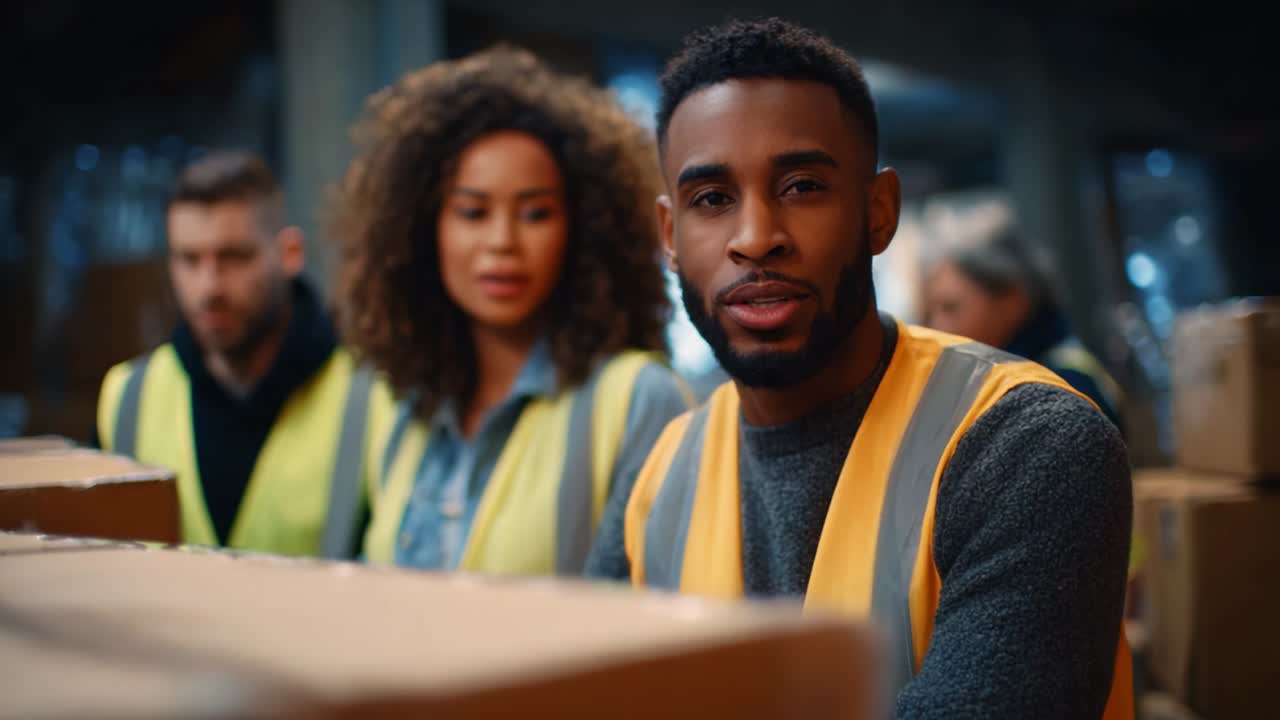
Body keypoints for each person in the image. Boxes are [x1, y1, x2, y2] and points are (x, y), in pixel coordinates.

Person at [586, 19, 1133, 719]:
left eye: (803, 185)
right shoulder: (656, 480)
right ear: (670, 235)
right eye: (712, 200)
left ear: (879, 213)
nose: (756, 238)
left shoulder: (1028, 444)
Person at [334, 47, 689, 575]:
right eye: (473, 212)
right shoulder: (391, 402)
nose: (502, 242)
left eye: (535, 213)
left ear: (583, 229)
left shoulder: (640, 402)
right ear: (424, 228)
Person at [97, 151, 391, 558]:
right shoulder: (128, 397)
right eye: (189, 259)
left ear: (289, 253)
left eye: (234, 257)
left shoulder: (372, 397)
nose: (209, 286)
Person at [922, 222, 1125, 430]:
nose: (936, 326)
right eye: (930, 312)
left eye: (951, 308)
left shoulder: (1061, 384)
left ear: (1012, 301)